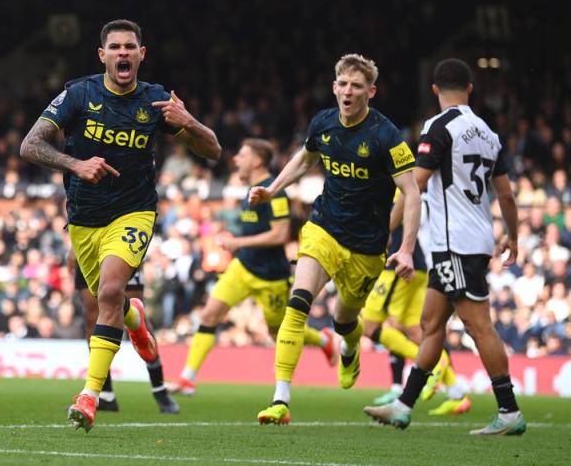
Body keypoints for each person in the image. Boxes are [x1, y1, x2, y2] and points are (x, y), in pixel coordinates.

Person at [20, 19, 221, 432]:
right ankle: (135, 321)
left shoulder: (157, 102)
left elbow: (213, 151)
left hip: (134, 211)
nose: (123, 53)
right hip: (84, 218)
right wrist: (76, 164)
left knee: (110, 291)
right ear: (103, 55)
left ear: (142, 54)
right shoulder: (79, 94)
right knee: (106, 301)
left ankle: (90, 395)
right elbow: (31, 144)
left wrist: (189, 122)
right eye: (116, 47)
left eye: (131, 46)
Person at [253, 53, 421, 425]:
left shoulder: (386, 135)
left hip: (367, 246)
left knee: (345, 318)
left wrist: (406, 249)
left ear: (370, 92)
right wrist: (272, 188)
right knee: (298, 303)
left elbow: (411, 192)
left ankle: (348, 345)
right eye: (343, 84)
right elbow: (304, 157)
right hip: (324, 227)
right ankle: (281, 399)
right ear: (334, 87)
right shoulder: (324, 122)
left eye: (357, 86)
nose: (348, 91)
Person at [363, 58, 526, 435]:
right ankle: (404, 406)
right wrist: (513, 236)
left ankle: (509, 410)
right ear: (470, 88)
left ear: (434, 90)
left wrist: (384, 229)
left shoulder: (438, 127)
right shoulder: (488, 133)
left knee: (477, 325)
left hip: (455, 242)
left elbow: (414, 184)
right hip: (473, 239)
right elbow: (507, 196)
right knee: (431, 324)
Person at [169, 139, 336, 396]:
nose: (236, 159)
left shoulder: (275, 191)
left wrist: (237, 241)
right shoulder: (248, 190)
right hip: (243, 267)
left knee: (278, 332)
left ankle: (323, 340)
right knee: (209, 314)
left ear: (257, 161)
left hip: (271, 276)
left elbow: (280, 235)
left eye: (242, 155)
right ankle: (187, 379)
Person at [364, 191, 471, 415]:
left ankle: (435, 363)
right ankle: (456, 392)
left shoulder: (393, 184)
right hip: (417, 265)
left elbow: (393, 217)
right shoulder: (403, 183)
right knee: (416, 331)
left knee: (369, 325)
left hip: (396, 265)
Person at [72, 256, 179, 414]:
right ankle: (106, 394)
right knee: (91, 317)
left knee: (134, 311)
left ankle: (159, 388)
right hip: (87, 244)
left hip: (121, 242)